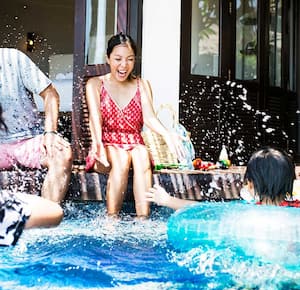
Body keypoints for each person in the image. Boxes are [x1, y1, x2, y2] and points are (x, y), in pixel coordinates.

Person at [85, 33, 185, 218]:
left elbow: (149, 118)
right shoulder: (95, 84)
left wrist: (167, 134)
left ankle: (143, 220)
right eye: (118, 59)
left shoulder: (142, 84)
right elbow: (94, 118)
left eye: (130, 59)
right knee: (122, 158)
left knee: (141, 154)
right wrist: (97, 143)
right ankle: (111, 219)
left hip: (134, 144)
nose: (124, 65)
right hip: (105, 144)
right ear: (108, 58)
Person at [0, 48, 73, 204]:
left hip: (29, 140)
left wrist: (50, 133)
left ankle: (47, 220)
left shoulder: (14, 58)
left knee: (62, 153)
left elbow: (50, 94)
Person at [145, 147, 299, 209]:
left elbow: (205, 210)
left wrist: (168, 200)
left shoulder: (248, 211)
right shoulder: (295, 209)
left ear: (250, 184)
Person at [0, 105, 63, 247]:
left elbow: (51, 95)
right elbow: (54, 212)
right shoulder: (3, 210)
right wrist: (11, 198)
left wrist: (50, 133)